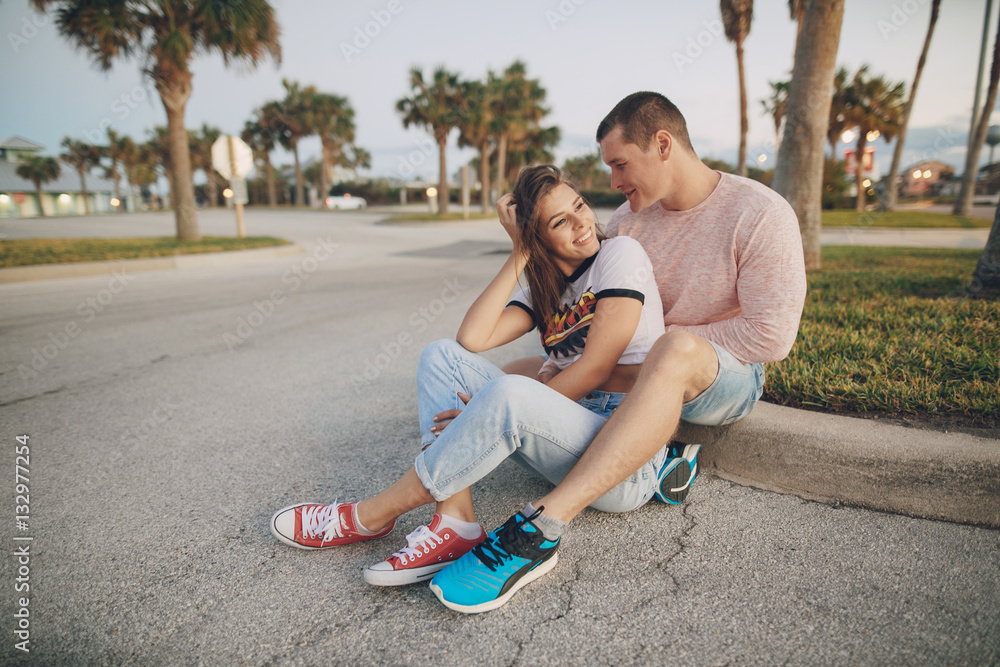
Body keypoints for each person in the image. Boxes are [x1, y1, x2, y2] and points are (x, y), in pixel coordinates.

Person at [425, 91, 807, 613]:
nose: (613, 182)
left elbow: (772, 335)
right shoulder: (629, 222)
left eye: (620, 163)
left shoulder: (759, 212)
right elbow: (575, 326)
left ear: (663, 145)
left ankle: (543, 525)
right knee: (520, 369)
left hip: (724, 377)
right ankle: (645, 454)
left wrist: (655, 350)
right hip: (634, 373)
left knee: (669, 351)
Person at [271, 164, 669, 602]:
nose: (582, 223)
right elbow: (472, 338)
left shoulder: (620, 254)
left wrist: (484, 413)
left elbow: (595, 367)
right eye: (560, 222)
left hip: (623, 455)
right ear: (538, 237)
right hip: (564, 429)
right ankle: (455, 521)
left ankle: (370, 515)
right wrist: (520, 251)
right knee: (441, 355)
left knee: (511, 393)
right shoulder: (546, 285)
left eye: (579, 206)